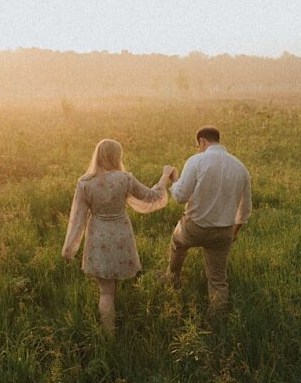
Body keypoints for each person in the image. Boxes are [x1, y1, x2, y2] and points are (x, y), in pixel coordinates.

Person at [62, 139, 173, 334]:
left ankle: (109, 336)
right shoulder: (125, 179)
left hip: (98, 235)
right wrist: (165, 176)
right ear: (117, 156)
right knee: (116, 281)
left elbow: (77, 219)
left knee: (105, 290)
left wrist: (69, 249)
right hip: (121, 234)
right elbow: (152, 197)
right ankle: (118, 325)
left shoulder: (85, 183)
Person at [163, 126, 251, 315]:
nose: (198, 148)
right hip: (224, 231)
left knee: (177, 242)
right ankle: (218, 322)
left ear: (202, 141)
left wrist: (174, 179)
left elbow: (180, 196)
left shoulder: (196, 161)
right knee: (218, 279)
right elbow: (245, 210)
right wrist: (232, 234)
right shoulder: (240, 167)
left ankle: (172, 276)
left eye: (198, 145)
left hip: (195, 228)